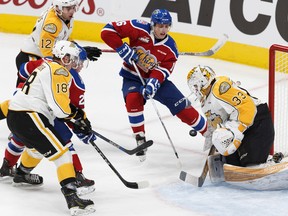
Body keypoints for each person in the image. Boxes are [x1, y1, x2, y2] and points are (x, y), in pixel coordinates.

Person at [101, 9, 207, 162]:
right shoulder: (138, 28)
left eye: (166, 26)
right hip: (132, 77)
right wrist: (121, 47)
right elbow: (107, 31)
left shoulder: (170, 47)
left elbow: (164, 69)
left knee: (181, 105)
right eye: (160, 26)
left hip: (158, 82)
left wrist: (153, 83)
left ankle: (209, 132)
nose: (163, 30)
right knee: (132, 99)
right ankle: (140, 138)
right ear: (152, 24)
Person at [6, 40, 96, 215]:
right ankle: (73, 199)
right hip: (29, 116)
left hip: (15, 115)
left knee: (37, 149)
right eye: (74, 59)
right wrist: (78, 118)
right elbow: (60, 109)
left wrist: (78, 116)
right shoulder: (60, 71)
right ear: (65, 57)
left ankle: (22, 173)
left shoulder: (46, 65)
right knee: (63, 154)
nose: (77, 64)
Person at [186, 65, 275, 167]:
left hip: (257, 122)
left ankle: (269, 161)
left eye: (196, 85)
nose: (195, 90)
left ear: (203, 82)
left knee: (251, 165)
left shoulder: (220, 87)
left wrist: (237, 131)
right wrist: (214, 146)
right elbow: (214, 125)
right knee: (233, 164)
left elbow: (248, 107)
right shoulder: (205, 103)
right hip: (238, 128)